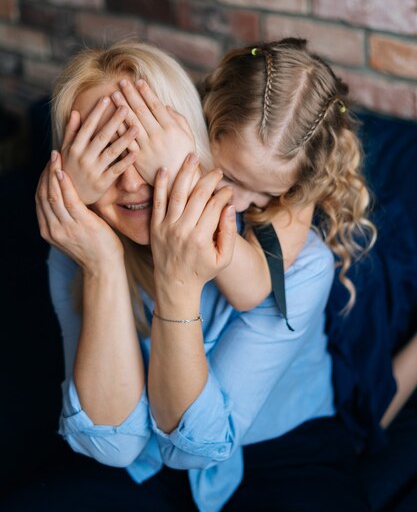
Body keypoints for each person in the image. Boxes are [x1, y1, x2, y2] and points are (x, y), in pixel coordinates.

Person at [35, 40, 372, 512]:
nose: (235, 202)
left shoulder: (291, 243)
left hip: (279, 448)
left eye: (143, 152)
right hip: (147, 452)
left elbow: (255, 289)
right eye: (110, 152)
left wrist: (180, 248)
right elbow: (116, 444)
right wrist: (102, 261)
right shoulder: (81, 236)